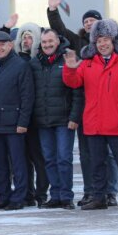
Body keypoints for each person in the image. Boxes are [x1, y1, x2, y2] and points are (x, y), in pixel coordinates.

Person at [63, 19, 118, 211]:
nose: (102, 44)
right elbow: (73, 83)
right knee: (96, 163)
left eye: (106, 39)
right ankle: (98, 198)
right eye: (98, 40)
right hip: (94, 124)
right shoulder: (87, 64)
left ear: (114, 40)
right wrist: (70, 67)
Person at [47, 0, 118, 206]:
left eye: (93, 20)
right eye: (86, 21)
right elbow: (59, 29)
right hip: (86, 108)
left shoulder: (111, 45)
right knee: (87, 154)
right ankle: (91, 191)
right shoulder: (78, 43)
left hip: (108, 108)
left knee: (109, 154)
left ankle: (111, 192)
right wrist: (52, 9)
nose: (89, 24)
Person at [0, 31, 35, 210]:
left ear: (10, 45)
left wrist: (23, 123)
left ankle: (19, 197)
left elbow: (27, 97)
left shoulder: (20, 65)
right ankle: (3, 196)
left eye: (2, 44)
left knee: (18, 164)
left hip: (13, 124)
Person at [30, 29, 83, 209]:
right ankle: (55, 195)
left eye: (50, 41)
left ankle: (66, 196)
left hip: (64, 120)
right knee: (49, 159)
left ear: (58, 42)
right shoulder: (34, 63)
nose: (47, 45)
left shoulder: (68, 60)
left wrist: (74, 117)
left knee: (64, 158)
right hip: (43, 121)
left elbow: (77, 92)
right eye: (44, 42)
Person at [13, 22, 49, 207]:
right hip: (19, 118)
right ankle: (27, 192)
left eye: (30, 37)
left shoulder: (41, 60)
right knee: (23, 158)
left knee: (39, 158)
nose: (27, 41)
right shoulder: (16, 59)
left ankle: (41, 193)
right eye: (24, 37)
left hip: (37, 118)